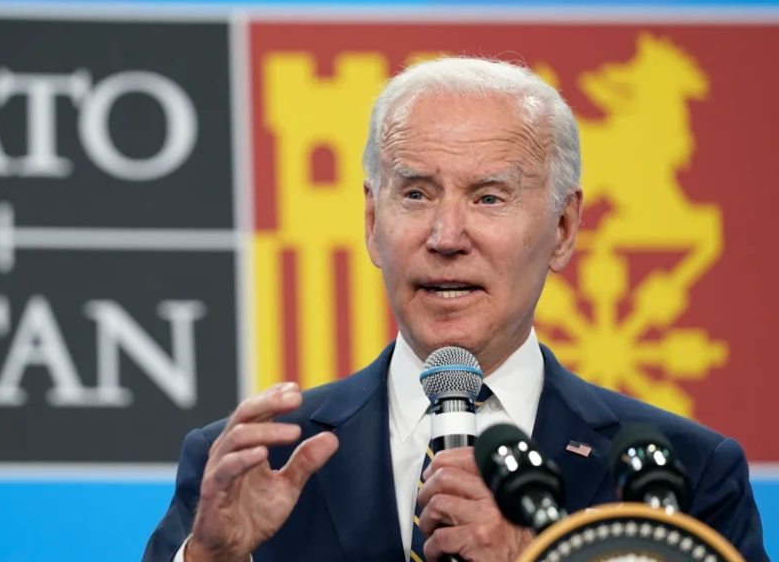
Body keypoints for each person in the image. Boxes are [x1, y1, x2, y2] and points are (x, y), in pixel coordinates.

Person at [141, 55, 769, 562]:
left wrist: (544, 557)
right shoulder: (250, 465)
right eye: (415, 194)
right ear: (371, 222)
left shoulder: (689, 475)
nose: (446, 235)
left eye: (489, 198)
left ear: (563, 228)